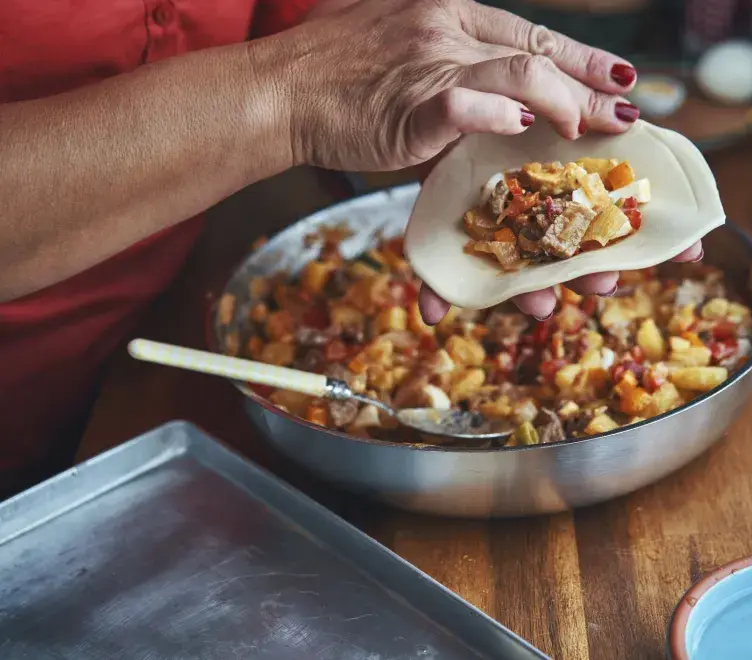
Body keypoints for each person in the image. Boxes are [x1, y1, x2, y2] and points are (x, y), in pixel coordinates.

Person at [0, 0, 703, 496]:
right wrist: (291, 93)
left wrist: (391, 45)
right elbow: (299, 75)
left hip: (162, 318)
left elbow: (299, 18)